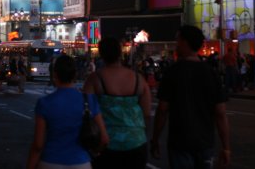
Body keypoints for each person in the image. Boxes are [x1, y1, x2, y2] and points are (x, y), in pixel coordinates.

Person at [151, 25, 230, 169]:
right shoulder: (211, 73)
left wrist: (155, 139)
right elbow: (220, 113)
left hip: (180, 142)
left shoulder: (172, 72)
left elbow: (162, 110)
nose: (176, 45)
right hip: (205, 143)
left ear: (184, 42)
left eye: (177, 40)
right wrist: (226, 147)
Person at [27, 55, 108, 169]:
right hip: (81, 161)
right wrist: (93, 152)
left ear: (55, 74)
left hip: (51, 160)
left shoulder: (44, 103)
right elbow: (104, 138)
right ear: (75, 75)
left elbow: (38, 145)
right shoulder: (89, 100)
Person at [83, 37, 151, 169]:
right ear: (120, 54)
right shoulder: (138, 78)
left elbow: (86, 109)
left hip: (106, 142)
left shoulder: (95, 78)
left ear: (101, 54)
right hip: (136, 141)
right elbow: (147, 113)